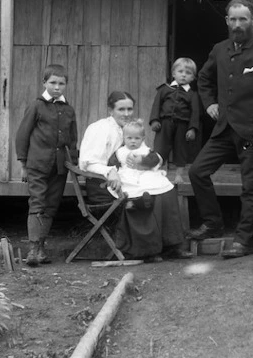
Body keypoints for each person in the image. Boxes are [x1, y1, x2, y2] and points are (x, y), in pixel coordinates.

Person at [187, 0, 253, 258]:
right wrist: (209, 104)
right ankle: (213, 224)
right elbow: (204, 78)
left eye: (243, 19)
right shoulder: (219, 49)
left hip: (251, 135)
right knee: (197, 171)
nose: (238, 24)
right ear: (227, 21)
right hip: (223, 131)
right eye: (233, 19)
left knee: (250, 184)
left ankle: (243, 239)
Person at [79, 91, 191, 261]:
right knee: (140, 199)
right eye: (121, 109)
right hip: (100, 182)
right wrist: (110, 171)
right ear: (110, 110)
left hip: (127, 177)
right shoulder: (99, 128)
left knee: (165, 191)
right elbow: (87, 163)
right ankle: (144, 250)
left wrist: (143, 163)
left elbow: (146, 153)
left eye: (129, 109)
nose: (126, 113)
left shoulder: (132, 129)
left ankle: (170, 245)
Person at [16, 64, 78, 267]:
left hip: (59, 167)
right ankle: (33, 248)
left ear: (66, 85)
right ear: (44, 83)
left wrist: (73, 162)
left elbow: (72, 139)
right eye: (53, 82)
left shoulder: (68, 110)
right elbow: (23, 135)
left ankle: (41, 249)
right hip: (37, 164)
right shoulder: (37, 106)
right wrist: (24, 164)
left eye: (61, 83)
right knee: (37, 202)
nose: (57, 87)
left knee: (51, 205)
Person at [150, 57, 201, 184]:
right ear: (173, 73)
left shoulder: (192, 94)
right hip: (164, 124)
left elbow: (195, 113)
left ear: (193, 78)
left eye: (188, 73)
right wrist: (155, 120)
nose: (184, 75)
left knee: (181, 149)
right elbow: (156, 105)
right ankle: (158, 172)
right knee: (161, 147)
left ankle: (179, 175)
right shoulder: (164, 89)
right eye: (180, 71)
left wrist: (192, 128)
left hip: (182, 125)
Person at [108, 119, 174, 210]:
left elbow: (155, 160)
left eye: (137, 138)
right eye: (129, 138)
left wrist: (143, 160)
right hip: (127, 174)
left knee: (148, 184)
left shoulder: (145, 150)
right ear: (124, 138)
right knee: (126, 186)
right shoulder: (120, 151)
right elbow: (112, 164)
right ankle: (129, 203)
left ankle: (145, 201)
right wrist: (114, 172)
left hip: (143, 173)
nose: (133, 141)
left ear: (142, 139)